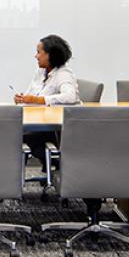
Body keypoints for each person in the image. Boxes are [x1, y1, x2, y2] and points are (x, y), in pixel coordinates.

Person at [14, 34, 80, 170]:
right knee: (14, 134)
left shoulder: (63, 74)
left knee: (14, 137)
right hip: (37, 122)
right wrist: (22, 99)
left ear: (50, 55)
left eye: (39, 52)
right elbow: (31, 95)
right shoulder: (40, 72)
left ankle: (13, 179)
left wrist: (39, 100)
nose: (35, 56)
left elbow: (70, 96)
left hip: (53, 129)